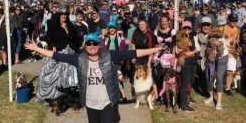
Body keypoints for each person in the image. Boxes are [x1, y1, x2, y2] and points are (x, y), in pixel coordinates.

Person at [25, 33, 165, 123]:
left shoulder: (109, 55)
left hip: (108, 102)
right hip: (91, 103)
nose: (92, 46)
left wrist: (153, 50)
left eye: (95, 44)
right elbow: (57, 56)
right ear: (85, 46)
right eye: (89, 44)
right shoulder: (79, 59)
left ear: (99, 45)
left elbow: (132, 53)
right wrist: (36, 49)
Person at [37, 10, 79, 103]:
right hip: (59, 52)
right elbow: (48, 38)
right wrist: (52, 46)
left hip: (70, 53)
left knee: (71, 75)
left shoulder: (71, 26)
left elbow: (75, 39)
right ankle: (54, 96)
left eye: (65, 15)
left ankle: (68, 97)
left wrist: (77, 48)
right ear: (59, 16)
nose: (64, 16)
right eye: (62, 15)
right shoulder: (54, 27)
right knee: (53, 73)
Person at [178, 21, 200, 111]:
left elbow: (198, 49)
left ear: (191, 29)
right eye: (185, 28)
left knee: (191, 80)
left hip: (193, 61)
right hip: (185, 61)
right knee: (185, 81)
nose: (187, 30)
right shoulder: (179, 37)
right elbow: (178, 50)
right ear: (182, 28)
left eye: (188, 28)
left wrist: (192, 51)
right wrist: (186, 53)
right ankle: (183, 104)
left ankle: (187, 96)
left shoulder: (193, 37)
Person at [223, 14, 240, 96]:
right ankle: (220, 85)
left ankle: (227, 88)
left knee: (231, 71)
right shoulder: (223, 28)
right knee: (222, 71)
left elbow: (236, 41)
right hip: (223, 52)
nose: (234, 22)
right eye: (233, 20)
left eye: (236, 20)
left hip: (232, 53)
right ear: (229, 20)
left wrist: (237, 49)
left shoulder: (236, 29)